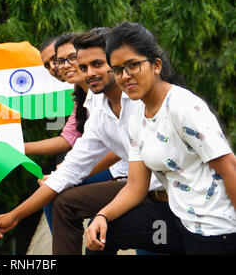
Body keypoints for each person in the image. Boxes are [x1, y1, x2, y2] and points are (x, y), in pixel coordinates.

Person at [0, 29, 164, 255]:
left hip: (167, 195)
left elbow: (86, 152)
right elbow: (73, 162)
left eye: (96, 64)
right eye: (83, 66)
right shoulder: (95, 106)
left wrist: (102, 210)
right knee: (69, 204)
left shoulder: (144, 100)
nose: (85, 71)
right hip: (137, 186)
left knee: (102, 224)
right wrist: (14, 216)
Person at [85, 22, 236, 255]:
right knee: (103, 232)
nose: (125, 76)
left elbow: (230, 169)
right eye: (117, 69)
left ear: (156, 65)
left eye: (133, 65)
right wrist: (102, 216)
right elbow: (135, 186)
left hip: (215, 230)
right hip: (178, 221)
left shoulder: (183, 107)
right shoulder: (137, 115)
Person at [25, 32, 118, 233]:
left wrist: (71, 173)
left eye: (67, 59)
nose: (56, 67)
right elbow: (69, 139)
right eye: (52, 63)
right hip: (107, 164)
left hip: (125, 170)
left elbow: (122, 146)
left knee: (55, 192)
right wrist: (20, 148)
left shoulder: (109, 92)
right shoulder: (83, 96)